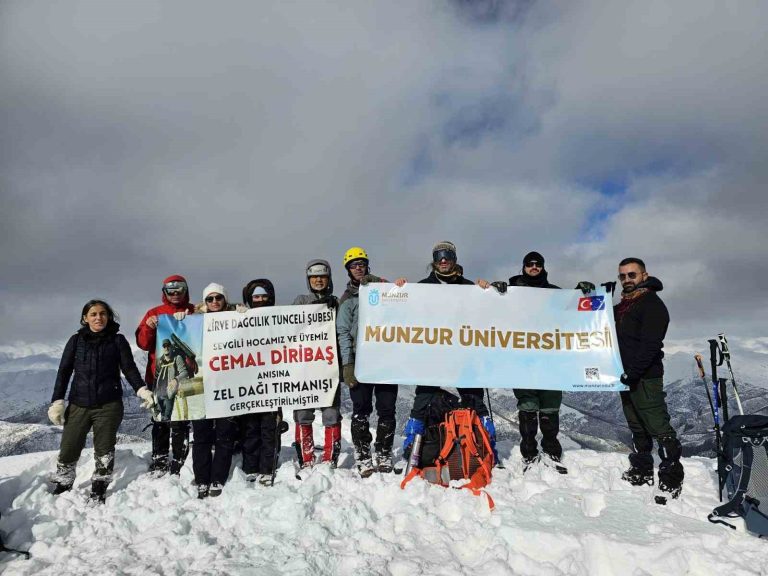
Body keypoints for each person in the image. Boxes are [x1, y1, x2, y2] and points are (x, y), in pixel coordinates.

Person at [400, 241, 498, 464]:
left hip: (463, 354)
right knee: (423, 398)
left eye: (447, 255)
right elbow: (405, 312)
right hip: (433, 354)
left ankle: (486, 447)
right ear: (434, 260)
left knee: (474, 399)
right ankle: (412, 447)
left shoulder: (468, 287)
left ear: (454, 259)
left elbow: (485, 312)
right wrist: (399, 290)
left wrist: (488, 291)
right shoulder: (422, 287)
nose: (443, 260)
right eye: (438, 256)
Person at [49, 300, 153, 503]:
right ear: (85, 318)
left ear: (109, 317)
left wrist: (141, 389)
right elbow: (64, 372)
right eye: (93, 314)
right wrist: (57, 401)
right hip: (79, 403)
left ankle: (99, 486)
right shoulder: (76, 341)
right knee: (69, 446)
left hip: (109, 405)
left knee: (104, 449)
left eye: (103, 313)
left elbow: (129, 368)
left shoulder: (117, 340)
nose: (98, 317)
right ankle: (64, 481)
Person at [614, 257, 684, 499]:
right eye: (622, 276)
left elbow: (651, 345)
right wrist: (593, 296)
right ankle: (642, 470)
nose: (626, 280)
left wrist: (633, 373)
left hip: (645, 377)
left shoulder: (651, 304)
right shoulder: (625, 305)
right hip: (625, 376)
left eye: (631, 275)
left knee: (658, 427)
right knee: (637, 427)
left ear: (644, 275)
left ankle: (671, 478)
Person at [337, 247, 398, 477]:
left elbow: (402, 301)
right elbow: (343, 331)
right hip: (360, 361)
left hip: (384, 359)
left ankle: (384, 452)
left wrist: (397, 285)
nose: (358, 268)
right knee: (361, 410)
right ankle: (363, 454)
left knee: (387, 408)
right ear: (348, 270)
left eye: (362, 263)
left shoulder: (382, 288)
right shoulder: (347, 299)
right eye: (354, 265)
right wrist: (348, 364)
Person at [174, 283, 239, 498]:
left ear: (225, 299)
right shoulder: (193, 321)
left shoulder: (236, 318)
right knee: (201, 435)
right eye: (209, 299)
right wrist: (181, 321)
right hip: (201, 387)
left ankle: (218, 478)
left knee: (224, 435)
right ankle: (202, 479)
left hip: (227, 386)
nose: (214, 303)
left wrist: (246, 315)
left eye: (218, 298)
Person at [508, 251, 565, 471]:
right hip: (523, 359)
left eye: (538, 264)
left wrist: (582, 293)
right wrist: (493, 292)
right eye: (530, 264)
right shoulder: (511, 292)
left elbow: (572, 310)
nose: (534, 267)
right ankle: (529, 453)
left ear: (543, 267)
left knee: (550, 406)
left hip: (551, 360)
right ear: (523, 267)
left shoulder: (555, 294)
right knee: (528, 407)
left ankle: (551, 452)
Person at [136, 275, 195, 476]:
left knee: (181, 419)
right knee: (161, 419)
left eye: (180, 290)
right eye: (171, 290)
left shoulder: (194, 311)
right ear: (165, 292)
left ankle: (179, 458)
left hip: (184, 376)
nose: (176, 294)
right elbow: (143, 343)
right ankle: (160, 458)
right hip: (158, 376)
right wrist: (149, 327)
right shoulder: (154, 313)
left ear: (186, 291)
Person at [292, 260, 342, 473]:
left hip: (328, 367)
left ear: (329, 279)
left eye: (323, 276)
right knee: (303, 412)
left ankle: (330, 456)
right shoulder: (300, 301)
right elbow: (288, 326)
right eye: (314, 277)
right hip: (304, 366)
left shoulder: (336, 302)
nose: (319, 280)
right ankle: (306, 456)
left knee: (331, 412)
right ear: (308, 280)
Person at [240, 278, 283, 485]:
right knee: (250, 428)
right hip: (248, 383)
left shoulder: (279, 319)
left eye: (264, 297)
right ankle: (250, 466)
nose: (260, 300)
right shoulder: (240, 317)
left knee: (269, 428)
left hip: (272, 382)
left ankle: (267, 468)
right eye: (256, 297)